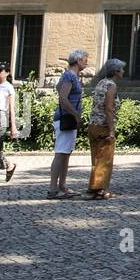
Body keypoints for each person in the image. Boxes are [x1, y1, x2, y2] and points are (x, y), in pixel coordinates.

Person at [47, 49, 89, 200]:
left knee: (66, 153)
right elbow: (63, 98)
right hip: (66, 118)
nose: (86, 61)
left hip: (69, 119)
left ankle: (62, 186)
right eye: (85, 59)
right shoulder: (69, 76)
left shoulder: (72, 76)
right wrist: (76, 115)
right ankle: (53, 188)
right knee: (60, 153)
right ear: (77, 61)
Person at [85, 58, 125, 200]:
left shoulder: (100, 83)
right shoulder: (111, 86)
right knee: (104, 160)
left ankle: (94, 188)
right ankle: (98, 189)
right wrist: (111, 130)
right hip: (103, 126)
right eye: (122, 69)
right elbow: (109, 108)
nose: (123, 72)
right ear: (116, 71)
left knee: (96, 159)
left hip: (93, 124)